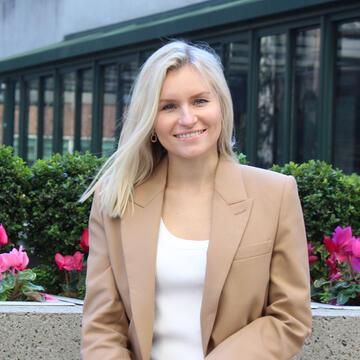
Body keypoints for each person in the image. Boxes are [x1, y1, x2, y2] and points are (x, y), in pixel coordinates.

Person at [80, 40, 312, 360]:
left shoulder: (276, 195)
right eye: (169, 106)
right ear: (150, 122)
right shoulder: (115, 199)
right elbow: (102, 327)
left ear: (221, 107)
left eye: (200, 101)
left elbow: (289, 318)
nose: (187, 119)